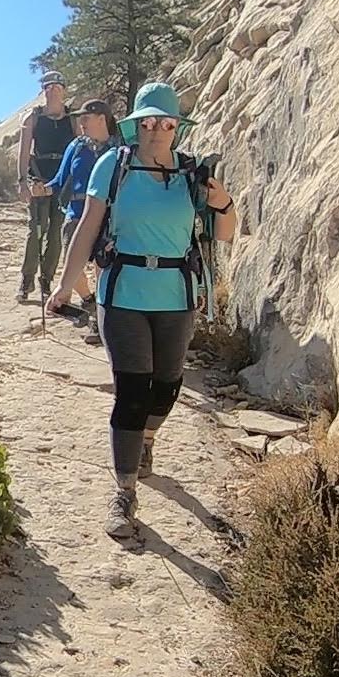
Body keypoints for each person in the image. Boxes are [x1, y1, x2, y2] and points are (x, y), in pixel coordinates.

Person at [46, 82, 236, 539]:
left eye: (165, 122)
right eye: (147, 122)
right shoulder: (115, 164)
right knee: (132, 391)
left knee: (166, 388)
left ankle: (147, 440)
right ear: (136, 125)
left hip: (177, 295)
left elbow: (226, 233)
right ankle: (125, 491)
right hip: (123, 292)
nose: (156, 129)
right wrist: (64, 286)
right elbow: (88, 227)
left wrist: (223, 202)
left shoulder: (192, 174)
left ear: (176, 128)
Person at [34, 98, 118, 345]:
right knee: (73, 264)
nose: (80, 123)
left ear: (102, 118)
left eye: (86, 118)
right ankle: (90, 302)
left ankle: (100, 320)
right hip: (75, 213)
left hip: (108, 215)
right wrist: (43, 190)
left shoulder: (119, 148)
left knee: (103, 267)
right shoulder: (77, 147)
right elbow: (60, 180)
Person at [15, 71, 76, 302]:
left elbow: (80, 147)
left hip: (63, 180)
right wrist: (22, 181)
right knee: (35, 230)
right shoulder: (34, 118)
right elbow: (23, 152)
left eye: (57, 86)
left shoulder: (72, 118)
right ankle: (27, 278)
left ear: (64, 89)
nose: (53, 90)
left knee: (56, 231)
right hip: (39, 177)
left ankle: (47, 280)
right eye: (48, 86)